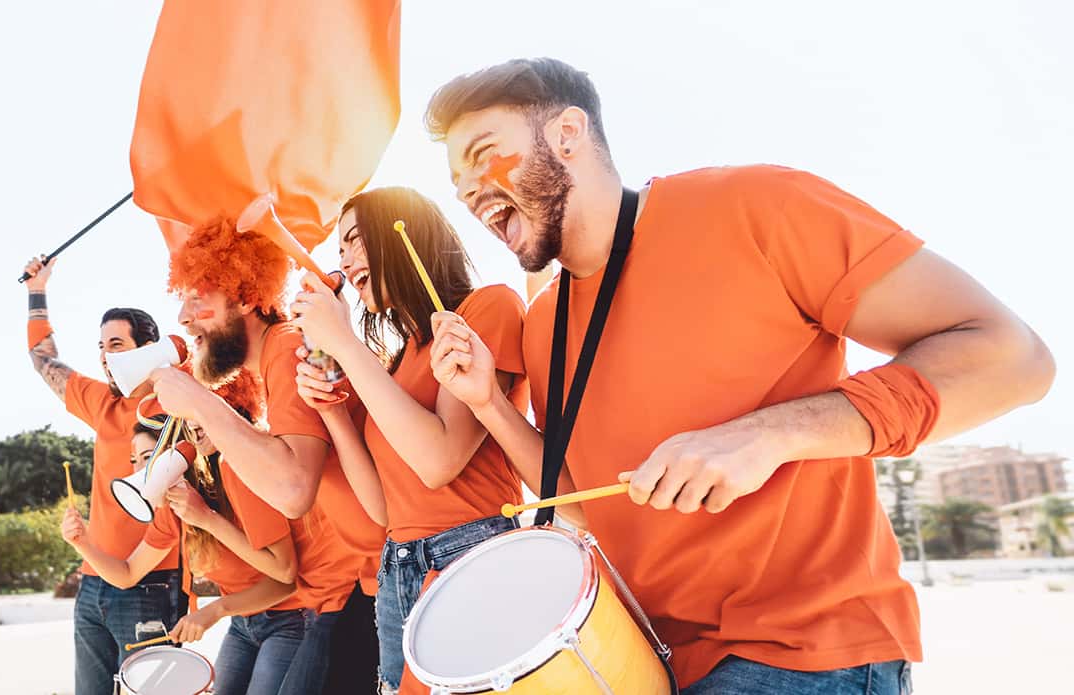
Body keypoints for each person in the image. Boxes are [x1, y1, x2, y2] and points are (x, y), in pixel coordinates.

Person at [423, 58, 1056, 694]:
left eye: (484, 155)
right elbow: (579, 502)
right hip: (653, 659)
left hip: (806, 652)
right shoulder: (544, 321)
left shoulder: (754, 205)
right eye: (457, 185)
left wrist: (767, 435)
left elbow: (1014, 358)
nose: (471, 192)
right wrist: (487, 404)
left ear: (567, 134)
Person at [289, 186, 531, 693]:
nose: (346, 260)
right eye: (341, 250)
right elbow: (383, 508)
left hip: (471, 556)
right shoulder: (395, 368)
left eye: (356, 239)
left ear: (405, 233)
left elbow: (438, 460)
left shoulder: (487, 308)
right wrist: (331, 409)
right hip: (398, 567)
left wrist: (344, 343)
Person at [146, 219, 369, 692]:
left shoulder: (288, 346)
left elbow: (292, 490)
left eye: (197, 296)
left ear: (247, 296)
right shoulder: (278, 356)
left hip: (352, 591)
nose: (183, 318)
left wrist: (201, 404)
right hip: (343, 593)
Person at [62, 388, 305, 695]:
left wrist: (214, 608)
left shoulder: (235, 478)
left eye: (149, 457)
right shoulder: (172, 511)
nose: (139, 470)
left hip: (291, 619)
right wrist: (82, 543)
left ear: (178, 451)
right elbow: (126, 574)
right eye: (134, 460)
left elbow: (286, 580)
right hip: (243, 625)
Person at [22, 255, 184, 695]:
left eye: (116, 345)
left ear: (147, 349)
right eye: (101, 347)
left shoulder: (180, 404)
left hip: (152, 584)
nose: (104, 357)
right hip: (93, 582)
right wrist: (38, 289)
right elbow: (43, 360)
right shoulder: (104, 404)